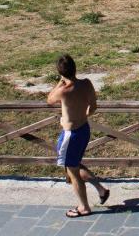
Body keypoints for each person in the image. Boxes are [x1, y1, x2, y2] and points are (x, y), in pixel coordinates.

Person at [47, 54, 110, 217]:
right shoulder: (87, 84)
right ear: (75, 68)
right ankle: (101, 190)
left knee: (72, 171)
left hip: (70, 134)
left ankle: (84, 207)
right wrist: (83, 116)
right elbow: (93, 107)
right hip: (84, 130)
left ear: (60, 73)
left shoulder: (63, 90)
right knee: (73, 164)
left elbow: (49, 99)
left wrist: (60, 82)